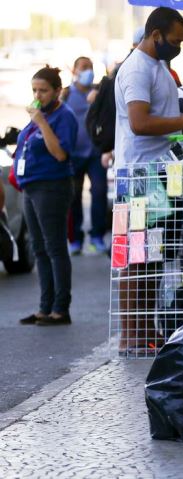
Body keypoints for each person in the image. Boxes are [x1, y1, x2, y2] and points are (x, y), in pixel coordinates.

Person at [114, 7, 183, 351]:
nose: (178, 46)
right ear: (155, 34)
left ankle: (147, 330)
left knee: (153, 257)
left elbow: (161, 118)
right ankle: (131, 335)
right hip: (140, 177)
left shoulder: (159, 67)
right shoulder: (138, 69)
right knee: (137, 258)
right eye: (174, 41)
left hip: (160, 174)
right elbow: (139, 123)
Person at [14, 66, 79, 326]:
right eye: (34, 90)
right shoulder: (40, 116)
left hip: (52, 186)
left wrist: (40, 122)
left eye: (43, 90)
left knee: (54, 248)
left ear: (57, 91)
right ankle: (45, 306)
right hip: (31, 186)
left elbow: (60, 153)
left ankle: (60, 308)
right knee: (38, 248)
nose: (38, 95)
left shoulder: (63, 116)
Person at [63, 56, 108, 255]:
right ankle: (75, 239)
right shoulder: (65, 95)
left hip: (95, 153)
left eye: (90, 67)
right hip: (73, 154)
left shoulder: (98, 92)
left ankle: (97, 236)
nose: (88, 71)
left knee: (99, 193)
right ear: (74, 71)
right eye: (83, 68)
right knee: (73, 197)